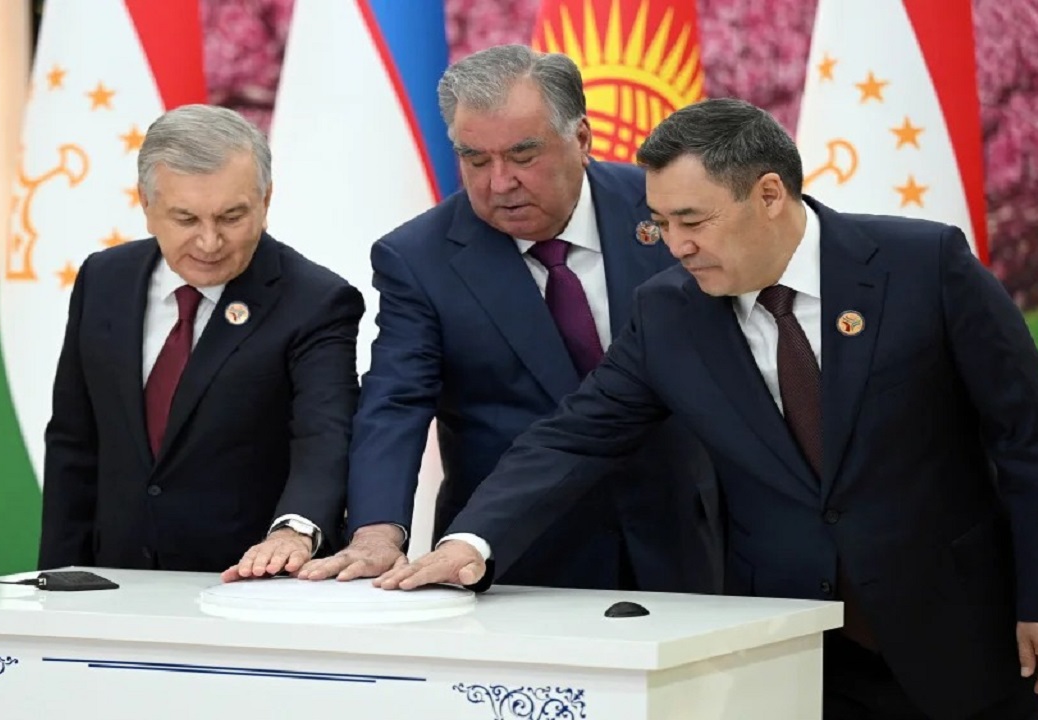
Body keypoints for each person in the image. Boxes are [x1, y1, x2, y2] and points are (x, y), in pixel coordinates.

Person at [377, 98, 1038, 720]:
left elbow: (1029, 437)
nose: (676, 245)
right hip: (786, 649)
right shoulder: (669, 312)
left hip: (959, 632)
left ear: (769, 194)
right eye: (660, 222)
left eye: (693, 220)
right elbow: (574, 436)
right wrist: (471, 544)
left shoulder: (923, 265)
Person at [299, 45, 721, 594]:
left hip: (686, 531)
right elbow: (397, 399)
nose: (499, 183)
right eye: (476, 160)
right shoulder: (418, 258)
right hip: (512, 553)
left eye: (523, 156)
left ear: (582, 139)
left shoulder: (663, 211)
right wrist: (377, 530)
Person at [38, 104, 363, 578]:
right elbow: (75, 441)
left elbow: (325, 437)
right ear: (147, 206)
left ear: (266, 200)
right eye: (186, 219)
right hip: (116, 582)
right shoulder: (104, 280)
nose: (209, 242)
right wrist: (57, 577)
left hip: (248, 583)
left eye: (231, 217)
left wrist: (294, 531)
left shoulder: (315, 301)